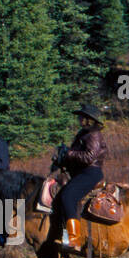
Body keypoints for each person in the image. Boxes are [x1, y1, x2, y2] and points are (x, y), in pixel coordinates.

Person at [50, 104, 107, 249]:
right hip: (81, 171)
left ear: (89, 119)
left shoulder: (93, 134)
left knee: (68, 196)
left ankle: (73, 239)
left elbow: (89, 156)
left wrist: (68, 153)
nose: (79, 119)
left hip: (90, 172)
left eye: (82, 116)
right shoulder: (84, 133)